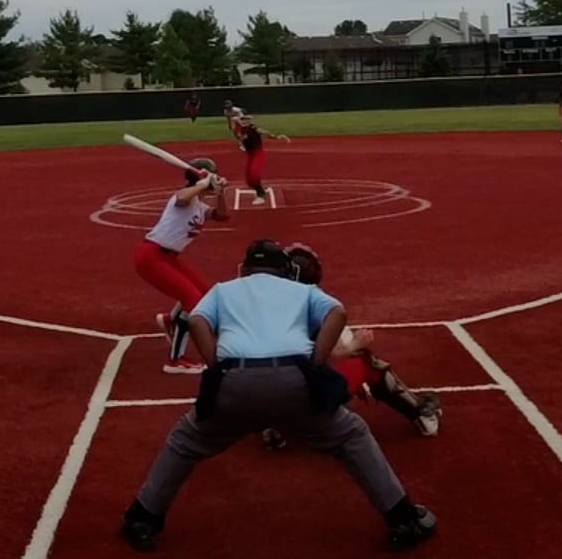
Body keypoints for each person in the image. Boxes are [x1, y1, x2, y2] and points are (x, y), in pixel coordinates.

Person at [119, 238, 438, 552]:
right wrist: (315, 363)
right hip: (292, 382)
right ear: (285, 270)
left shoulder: (222, 290)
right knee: (352, 436)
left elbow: (197, 321)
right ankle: (403, 518)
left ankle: (143, 517)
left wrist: (217, 365)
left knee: (185, 442)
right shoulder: (303, 291)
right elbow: (337, 314)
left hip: (235, 383)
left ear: (244, 268)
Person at [261, 243, 441, 449]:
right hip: (305, 401)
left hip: (264, 393)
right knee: (364, 360)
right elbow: (338, 352)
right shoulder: (316, 305)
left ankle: (272, 426)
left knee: (267, 369)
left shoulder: (262, 304)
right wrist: (357, 343)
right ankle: (421, 415)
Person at [138, 158, 231, 375]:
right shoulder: (183, 198)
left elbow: (223, 216)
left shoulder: (199, 206)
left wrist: (220, 193)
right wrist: (203, 183)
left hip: (169, 257)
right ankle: (175, 360)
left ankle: (171, 321)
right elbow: (181, 198)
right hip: (152, 256)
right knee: (193, 301)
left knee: (203, 294)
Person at [237, 114, 288, 202]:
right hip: (251, 155)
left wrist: (276, 136)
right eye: (243, 120)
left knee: (254, 174)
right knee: (249, 180)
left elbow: (263, 132)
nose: (244, 121)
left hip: (258, 153)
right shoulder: (241, 130)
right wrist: (241, 145)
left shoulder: (253, 128)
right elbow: (241, 139)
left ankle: (260, 195)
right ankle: (260, 190)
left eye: (246, 120)